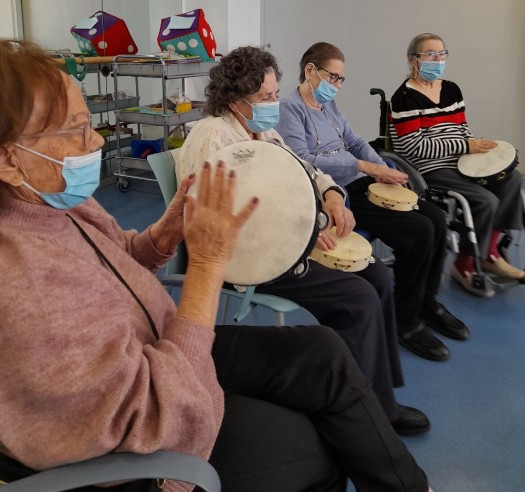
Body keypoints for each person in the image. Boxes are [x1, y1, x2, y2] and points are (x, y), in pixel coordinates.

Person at [0, 39, 433, 492]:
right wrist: (206, 264)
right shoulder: (23, 284)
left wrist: (161, 234)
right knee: (318, 449)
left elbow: (116, 255)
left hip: (161, 344)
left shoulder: (60, 202)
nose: (96, 141)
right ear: (10, 159)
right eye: (75, 129)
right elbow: (154, 416)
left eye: (89, 123)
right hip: (156, 423)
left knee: (324, 352)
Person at [177, 45, 430, 435]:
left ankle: (377, 398)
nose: (273, 104)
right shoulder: (212, 138)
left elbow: (305, 169)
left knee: (378, 276)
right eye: (264, 97)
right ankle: (363, 413)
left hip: (285, 242)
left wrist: (331, 193)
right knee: (358, 299)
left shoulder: (261, 129)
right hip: (245, 256)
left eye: (275, 94)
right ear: (233, 99)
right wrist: (306, 234)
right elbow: (218, 221)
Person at [276, 41, 469, 363]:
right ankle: (405, 322)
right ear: (310, 70)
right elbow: (304, 161)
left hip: (362, 180)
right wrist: (365, 167)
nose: (337, 85)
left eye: (341, 79)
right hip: (337, 192)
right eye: (332, 77)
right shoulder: (290, 109)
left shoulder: (328, 106)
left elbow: (354, 141)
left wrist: (383, 169)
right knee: (419, 231)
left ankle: (427, 303)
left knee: (435, 217)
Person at [389, 32, 525, 297]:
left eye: (442, 54)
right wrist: (464, 146)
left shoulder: (452, 89)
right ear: (413, 59)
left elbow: (462, 129)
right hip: (430, 168)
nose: (437, 59)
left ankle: (490, 253)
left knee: (512, 179)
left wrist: (477, 149)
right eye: (430, 54)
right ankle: (463, 264)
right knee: (486, 200)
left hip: (462, 161)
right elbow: (412, 148)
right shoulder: (404, 98)